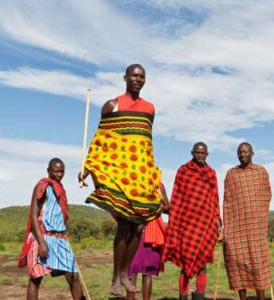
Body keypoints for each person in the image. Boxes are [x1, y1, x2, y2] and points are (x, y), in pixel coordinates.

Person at [78, 64, 163, 295]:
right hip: (118, 172)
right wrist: (88, 167)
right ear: (125, 78)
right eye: (134, 75)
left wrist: (150, 171)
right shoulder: (111, 106)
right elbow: (101, 140)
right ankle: (117, 278)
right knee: (125, 224)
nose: (138, 79)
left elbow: (143, 142)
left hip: (140, 173)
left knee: (139, 227)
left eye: (142, 76)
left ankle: (124, 273)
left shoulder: (149, 109)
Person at [163, 142, 222, 300]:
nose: (200, 155)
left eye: (202, 153)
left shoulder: (211, 173)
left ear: (207, 154)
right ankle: (183, 296)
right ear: (192, 153)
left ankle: (199, 296)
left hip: (205, 223)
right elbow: (176, 196)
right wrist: (174, 220)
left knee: (202, 263)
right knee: (185, 263)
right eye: (197, 152)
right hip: (186, 224)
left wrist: (217, 217)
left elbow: (214, 197)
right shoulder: (183, 171)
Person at [18, 158, 83, 300]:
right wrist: (41, 243)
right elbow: (34, 215)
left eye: (62, 171)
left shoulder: (60, 189)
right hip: (42, 236)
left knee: (73, 276)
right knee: (36, 279)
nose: (59, 174)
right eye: (56, 171)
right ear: (48, 171)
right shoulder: (42, 186)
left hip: (60, 238)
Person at [223, 142, 272, 300]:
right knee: (237, 264)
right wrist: (226, 228)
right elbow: (227, 201)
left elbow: (266, 196)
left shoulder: (261, 172)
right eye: (240, 152)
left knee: (258, 265)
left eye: (245, 152)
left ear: (252, 153)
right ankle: (242, 298)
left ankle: (261, 297)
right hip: (236, 228)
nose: (242, 154)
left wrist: (258, 215)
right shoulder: (231, 174)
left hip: (256, 227)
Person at [127, 184, 169, 300]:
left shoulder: (158, 185)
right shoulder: (129, 181)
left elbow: (167, 208)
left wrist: (154, 203)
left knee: (147, 272)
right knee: (131, 271)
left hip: (151, 230)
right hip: (132, 229)